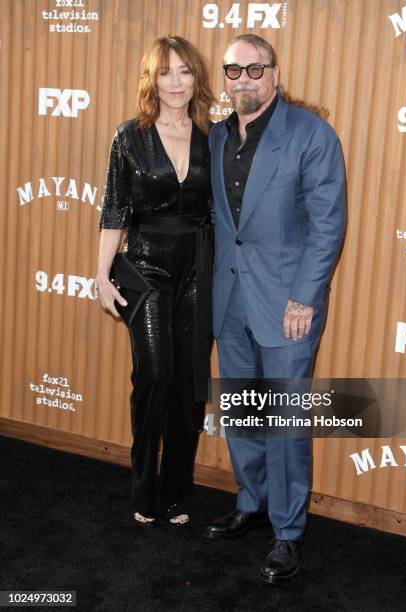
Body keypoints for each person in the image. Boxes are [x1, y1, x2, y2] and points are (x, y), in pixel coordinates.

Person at [204, 34, 347, 583]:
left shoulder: (311, 135)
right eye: (233, 70)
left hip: (289, 304)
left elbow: (328, 224)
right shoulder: (217, 138)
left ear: (275, 74)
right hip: (231, 300)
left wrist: (304, 297)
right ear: (225, 78)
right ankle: (252, 501)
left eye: (254, 69)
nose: (244, 79)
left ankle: (288, 532)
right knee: (243, 412)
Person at [96, 36, 214, 527]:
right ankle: (144, 483)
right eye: (166, 72)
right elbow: (115, 209)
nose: (176, 82)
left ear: (197, 79)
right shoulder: (130, 135)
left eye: (185, 72)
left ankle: (177, 490)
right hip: (145, 268)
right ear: (152, 79)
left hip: (199, 267)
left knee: (189, 386)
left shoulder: (216, 137)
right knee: (155, 375)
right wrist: (101, 274)